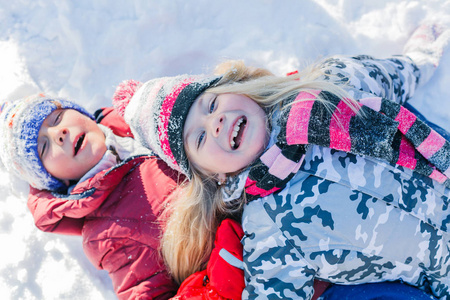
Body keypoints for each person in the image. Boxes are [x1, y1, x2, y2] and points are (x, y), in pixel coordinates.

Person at [115, 23, 450, 299]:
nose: (214, 123)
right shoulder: (270, 230)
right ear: (212, 175)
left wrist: (420, 56)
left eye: (211, 104)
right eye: (199, 139)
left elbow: (391, 74)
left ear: (238, 88)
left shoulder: (327, 88)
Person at [0, 94, 183, 299]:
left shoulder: (139, 115)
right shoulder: (109, 233)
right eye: (44, 147)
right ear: (54, 179)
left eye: (57, 118)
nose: (59, 134)